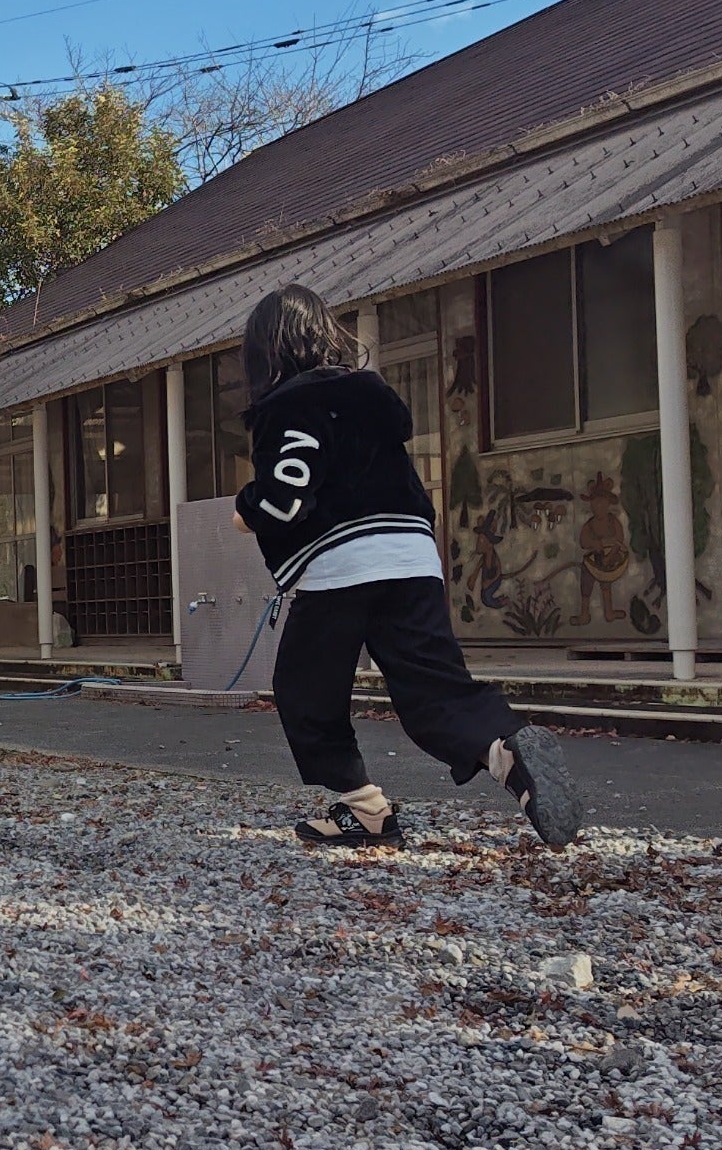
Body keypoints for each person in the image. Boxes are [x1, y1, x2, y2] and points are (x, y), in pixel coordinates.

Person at [231, 285, 583, 849]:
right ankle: (505, 750)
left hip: (341, 564)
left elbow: (284, 496)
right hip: (413, 555)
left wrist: (245, 512)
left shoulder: (290, 405)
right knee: (432, 689)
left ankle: (366, 809)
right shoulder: (371, 394)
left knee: (304, 691)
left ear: (266, 351)